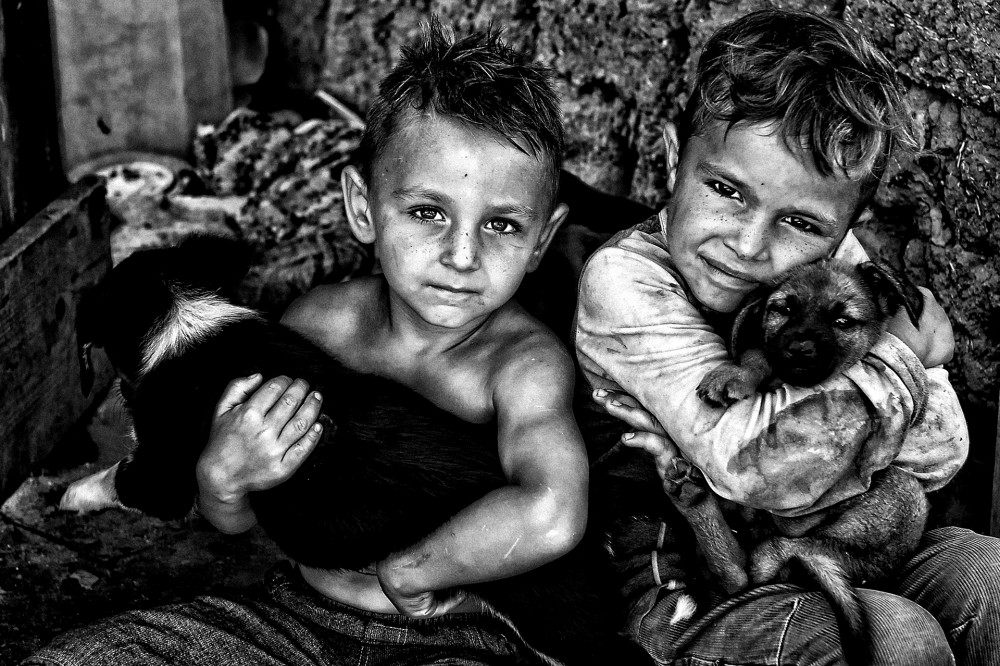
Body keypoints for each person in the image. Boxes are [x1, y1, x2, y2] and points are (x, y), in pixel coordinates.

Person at [26, 21, 588, 666]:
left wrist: (413, 571)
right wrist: (222, 478)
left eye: (502, 225)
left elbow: (552, 512)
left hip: (456, 635)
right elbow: (241, 519)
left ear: (541, 241)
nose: (462, 255)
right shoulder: (319, 325)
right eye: (427, 213)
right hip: (294, 618)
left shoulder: (522, 367)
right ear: (363, 208)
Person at [573, 8, 999, 666]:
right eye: (726, 189)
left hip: (839, 545)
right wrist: (898, 359)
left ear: (844, 229)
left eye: (800, 222)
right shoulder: (625, 283)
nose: (749, 246)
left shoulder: (833, 268)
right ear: (672, 158)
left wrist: (876, 390)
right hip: (687, 585)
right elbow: (753, 466)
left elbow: (942, 452)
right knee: (897, 637)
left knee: (988, 576)